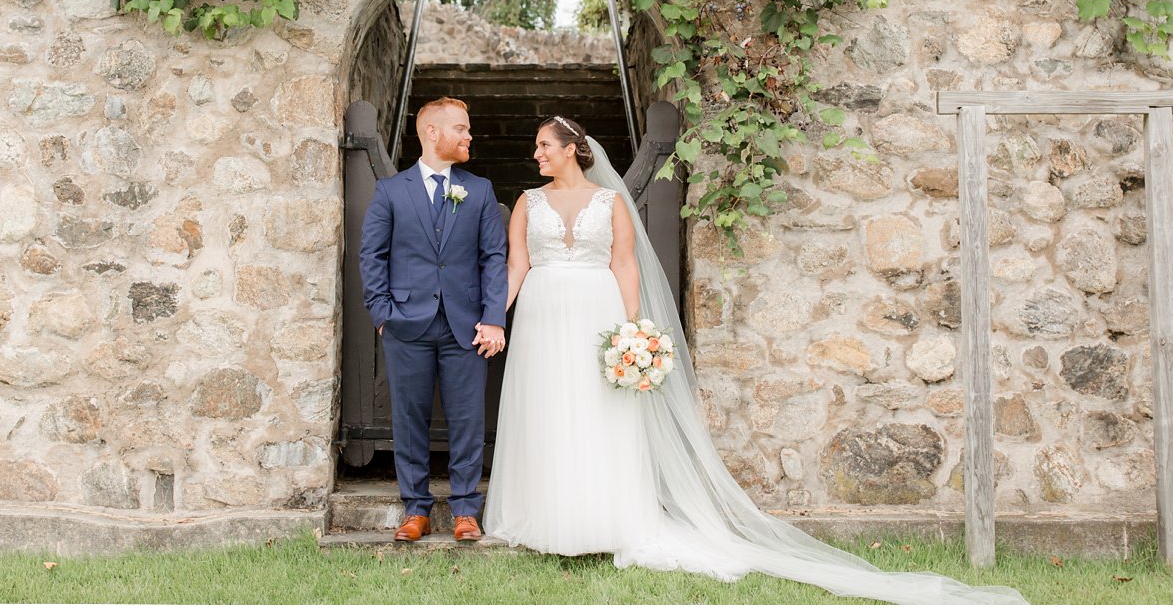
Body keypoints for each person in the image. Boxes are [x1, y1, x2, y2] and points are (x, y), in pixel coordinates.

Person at [485, 115, 1026, 605]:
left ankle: (604, 521)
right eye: (536, 147)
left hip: (600, 313)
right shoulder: (529, 203)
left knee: (602, 415)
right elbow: (517, 265)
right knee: (551, 410)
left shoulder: (611, 203)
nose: (537, 154)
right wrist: (494, 315)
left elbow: (624, 264)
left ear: (573, 150)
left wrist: (635, 329)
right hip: (542, 317)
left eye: (544, 146)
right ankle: (548, 520)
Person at [359, 97, 509, 543]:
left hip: (466, 325)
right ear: (432, 133)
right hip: (406, 323)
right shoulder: (391, 190)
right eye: (460, 128)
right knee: (409, 417)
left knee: (468, 418)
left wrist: (493, 318)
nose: (468, 136)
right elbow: (372, 255)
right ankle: (415, 509)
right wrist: (383, 314)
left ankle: (465, 509)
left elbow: (493, 258)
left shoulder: (479, 189)